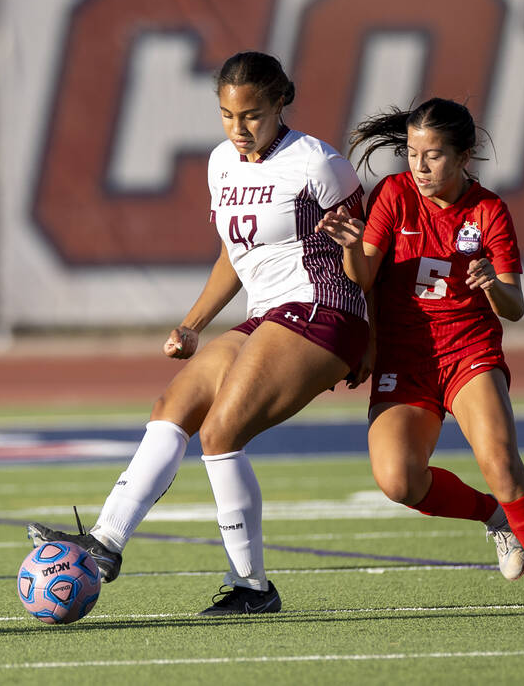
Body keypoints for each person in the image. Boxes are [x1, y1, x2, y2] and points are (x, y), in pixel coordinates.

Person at [28, 51, 369, 615]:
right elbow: (233, 257)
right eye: (227, 115)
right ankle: (105, 542)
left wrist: (372, 342)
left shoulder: (318, 164)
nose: (239, 128)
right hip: (267, 316)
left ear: (281, 101)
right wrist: (192, 325)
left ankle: (252, 588)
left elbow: (366, 263)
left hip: (323, 312)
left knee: (220, 432)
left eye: (253, 115)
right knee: (173, 405)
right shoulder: (221, 163)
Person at [316, 97, 524, 610]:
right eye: (412, 153)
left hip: (468, 350)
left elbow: (515, 306)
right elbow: (362, 278)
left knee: (502, 464)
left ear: (465, 156)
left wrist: (490, 285)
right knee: (398, 480)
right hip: (404, 357)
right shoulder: (393, 194)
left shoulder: (488, 210)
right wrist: (351, 246)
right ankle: (494, 517)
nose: (419, 165)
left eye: (432, 155)